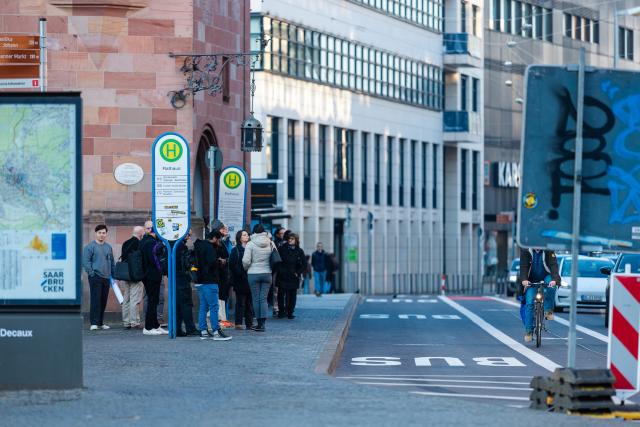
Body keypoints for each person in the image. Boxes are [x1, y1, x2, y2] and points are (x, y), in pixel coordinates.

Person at [193, 229, 232, 341]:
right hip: (210, 281)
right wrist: (220, 261)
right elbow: (211, 263)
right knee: (214, 307)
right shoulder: (210, 248)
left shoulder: (199, 245)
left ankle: (204, 331)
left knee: (203, 307)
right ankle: (216, 331)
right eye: (218, 239)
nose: (219, 242)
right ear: (215, 238)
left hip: (200, 281)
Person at [519, 247, 561, 343]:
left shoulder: (548, 251)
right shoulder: (526, 251)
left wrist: (554, 280)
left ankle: (548, 310)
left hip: (546, 276)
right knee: (529, 304)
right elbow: (523, 267)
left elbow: (553, 266)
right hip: (531, 280)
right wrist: (524, 280)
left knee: (551, 287)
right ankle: (529, 331)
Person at [82, 224, 116, 331]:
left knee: (103, 300)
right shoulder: (90, 247)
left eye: (104, 233)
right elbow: (86, 262)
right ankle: (94, 323)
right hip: (95, 276)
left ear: (106, 234)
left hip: (107, 277)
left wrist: (113, 275)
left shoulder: (108, 247)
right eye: (100, 233)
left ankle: (100, 322)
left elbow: (112, 262)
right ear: (96, 233)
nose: (102, 235)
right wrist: (91, 273)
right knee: (96, 300)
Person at [242, 224, 274, 332]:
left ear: (254, 232)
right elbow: (276, 257)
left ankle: (258, 323)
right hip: (267, 273)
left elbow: (246, 261)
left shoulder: (250, 244)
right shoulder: (270, 242)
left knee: (256, 298)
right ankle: (262, 324)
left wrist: (247, 269)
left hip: (253, 274)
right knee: (263, 298)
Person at [139, 224, 167, 336]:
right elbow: (154, 259)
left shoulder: (144, 241)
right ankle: (148, 327)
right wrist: (161, 269)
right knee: (152, 300)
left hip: (147, 274)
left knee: (153, 300)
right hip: (152, 274)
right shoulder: (151, 243)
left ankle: (155, 325)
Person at [120, 225, 145, 329]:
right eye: (143, 233)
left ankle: (126, 322)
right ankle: (135, 322)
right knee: (135, 299)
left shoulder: (125, 243)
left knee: (126, 299)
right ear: (140, 234)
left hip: (126, 275)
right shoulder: (139, 243)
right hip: (135, 275)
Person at [175, 230, 198, 337]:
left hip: (176, 277)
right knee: (186, 303)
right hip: (182, 277)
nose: (189, 237)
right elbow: (185, 263)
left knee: (179, 304)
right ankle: (190, 328)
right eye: (188, 234)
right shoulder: (181, 246)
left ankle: (177, 328)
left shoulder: (174, 244)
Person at [276, 233, 305, 319]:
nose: (290, 240)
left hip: (293, 276)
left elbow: (304, 264)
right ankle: (281, 312)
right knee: (281, 294)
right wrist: (280, 271)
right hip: (282, 276)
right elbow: (277, 261)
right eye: (289, 238)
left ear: (296, 240)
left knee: (292, 295)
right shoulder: (282, 248)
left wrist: (298, 272)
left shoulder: (299, 251)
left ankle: (290, 312)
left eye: (292, 239)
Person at [211, 220, 233, 328]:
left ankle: (223, 318)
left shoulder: (224, 241)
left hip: (225, 273)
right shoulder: (216, 242)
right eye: (223, 229)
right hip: (219, 273)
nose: (226, 231)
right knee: (219, 296)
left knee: (223, 296)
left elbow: (229, 254)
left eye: (226, 229)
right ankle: (220, 318)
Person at [230, 229, 253, 330]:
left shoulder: (251, 248)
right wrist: (240, 274)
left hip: (250, 278)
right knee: (240, 302)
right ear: (240, 238)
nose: (247, 236)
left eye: (247, 235)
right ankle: (238, 323)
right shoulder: (235, 250)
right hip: (240, 280)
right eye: (244, 235)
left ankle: (249, 323)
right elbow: (232, 264)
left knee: (249, 302)